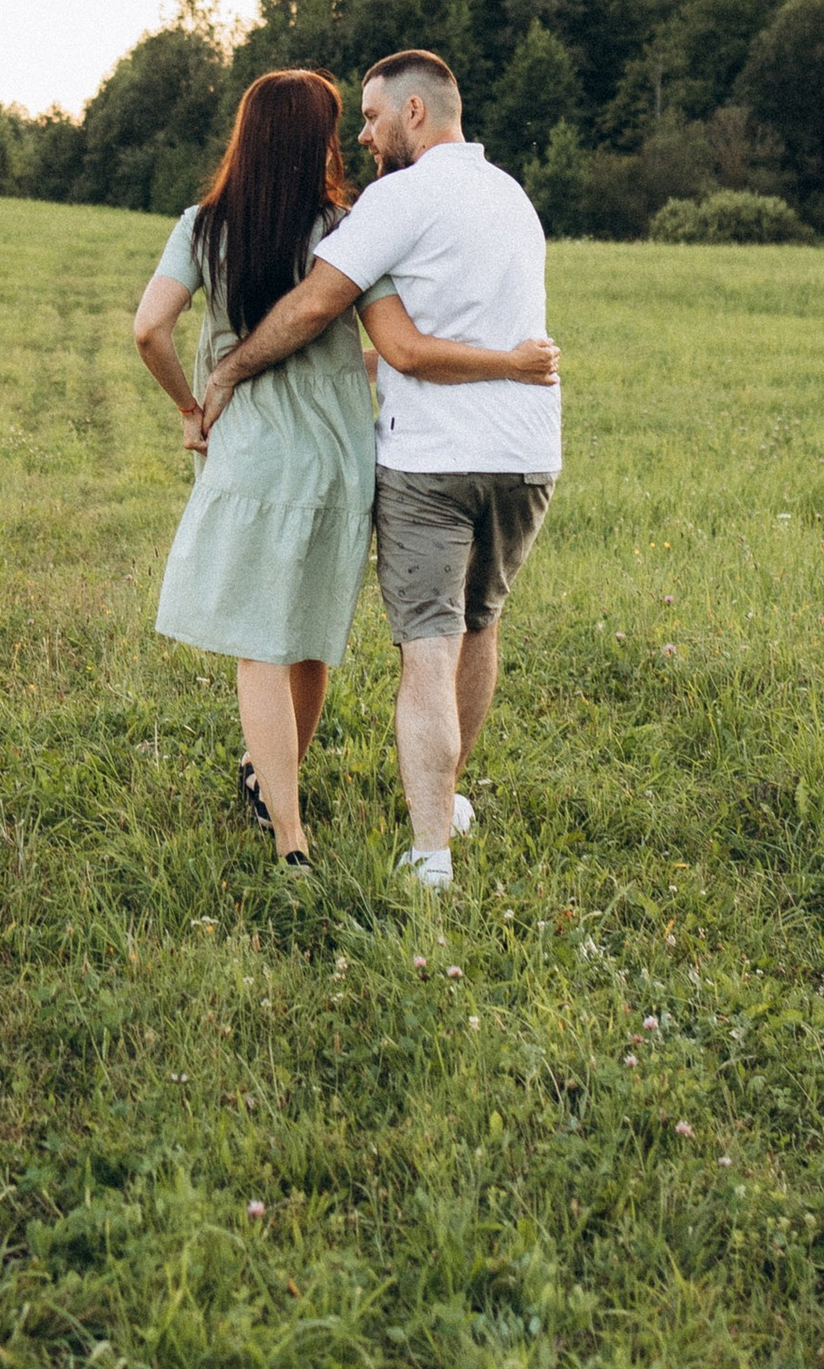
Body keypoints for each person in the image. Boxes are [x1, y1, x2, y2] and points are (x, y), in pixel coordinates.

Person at [133, 67, 552, 870]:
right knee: (315, 634)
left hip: (253, 446)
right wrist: (493, 360)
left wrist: (195, 398)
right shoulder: (345, 225)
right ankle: (296, 780)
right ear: (316, 142)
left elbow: (150, 329)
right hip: (339, 456)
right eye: (341, 127)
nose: (354, 139)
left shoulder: (203, 227)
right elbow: (390, 344)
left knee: (261, 639)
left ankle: (289, 831)